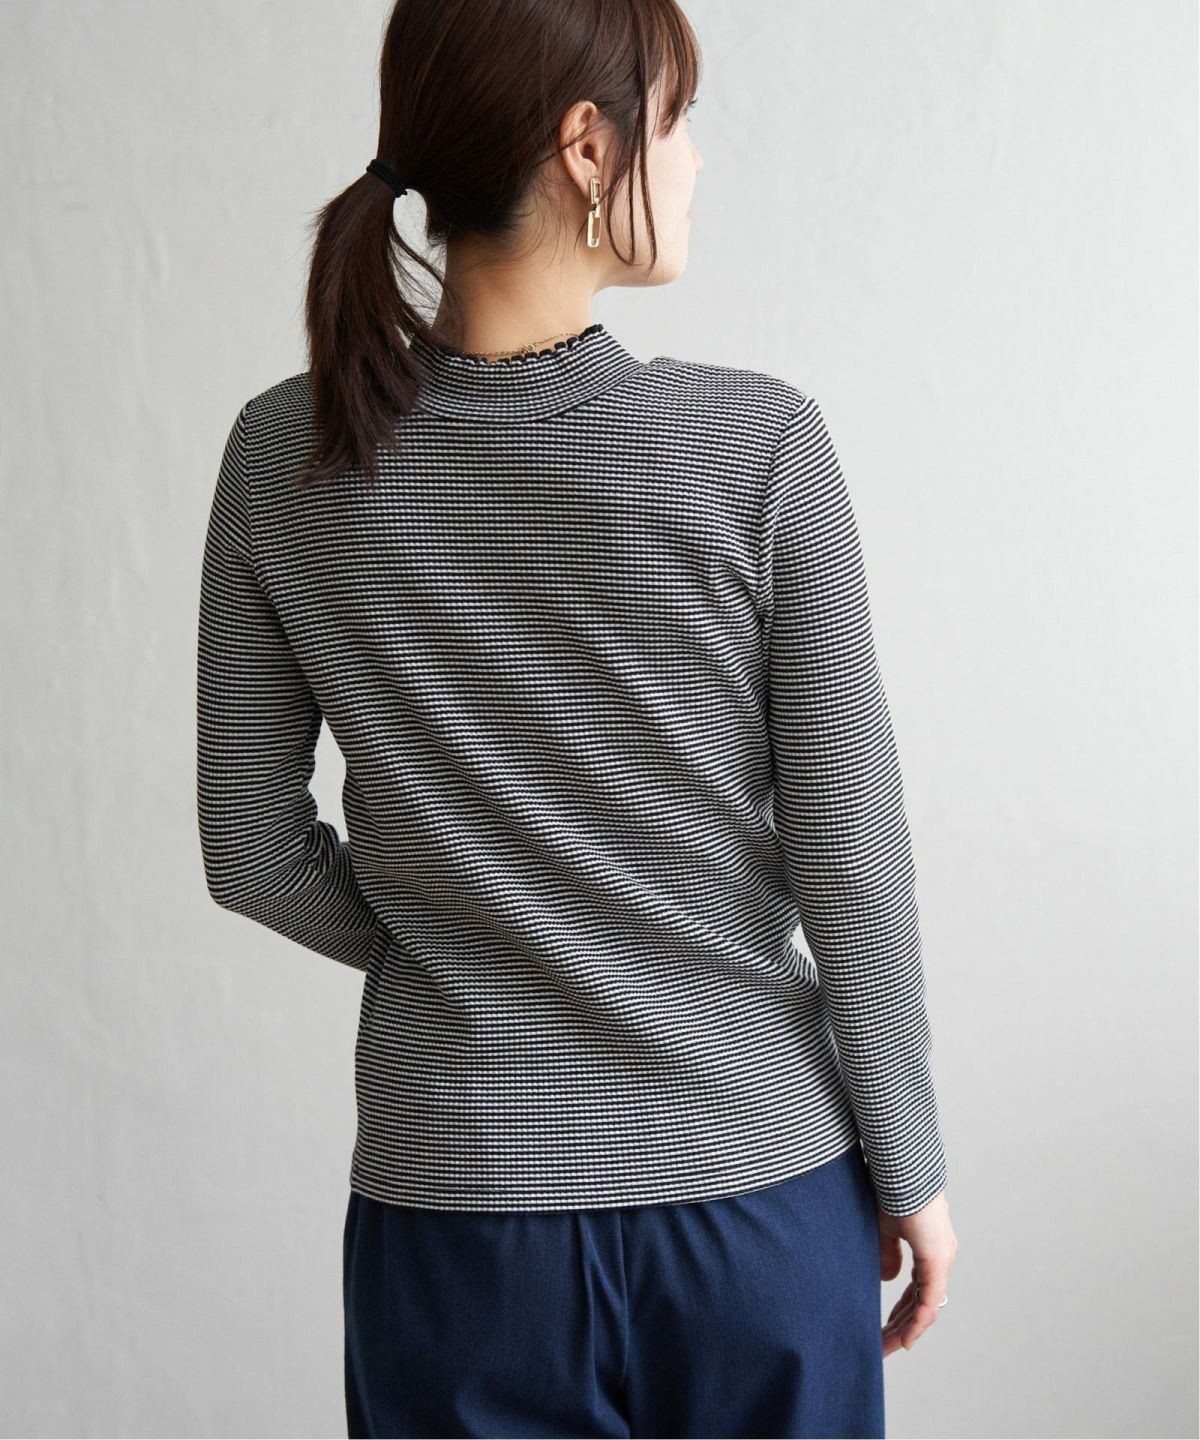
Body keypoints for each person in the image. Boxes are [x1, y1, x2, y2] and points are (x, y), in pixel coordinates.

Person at [195, 0, 958, 1435]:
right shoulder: (756, 445)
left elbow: (250, 851)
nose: (697, 159)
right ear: (587, 145)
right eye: (679, 119)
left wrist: (465, 937)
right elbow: (847, 852)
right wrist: (908, 1161)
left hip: (455, 1211)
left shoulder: (283, 453)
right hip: (754, 1195)